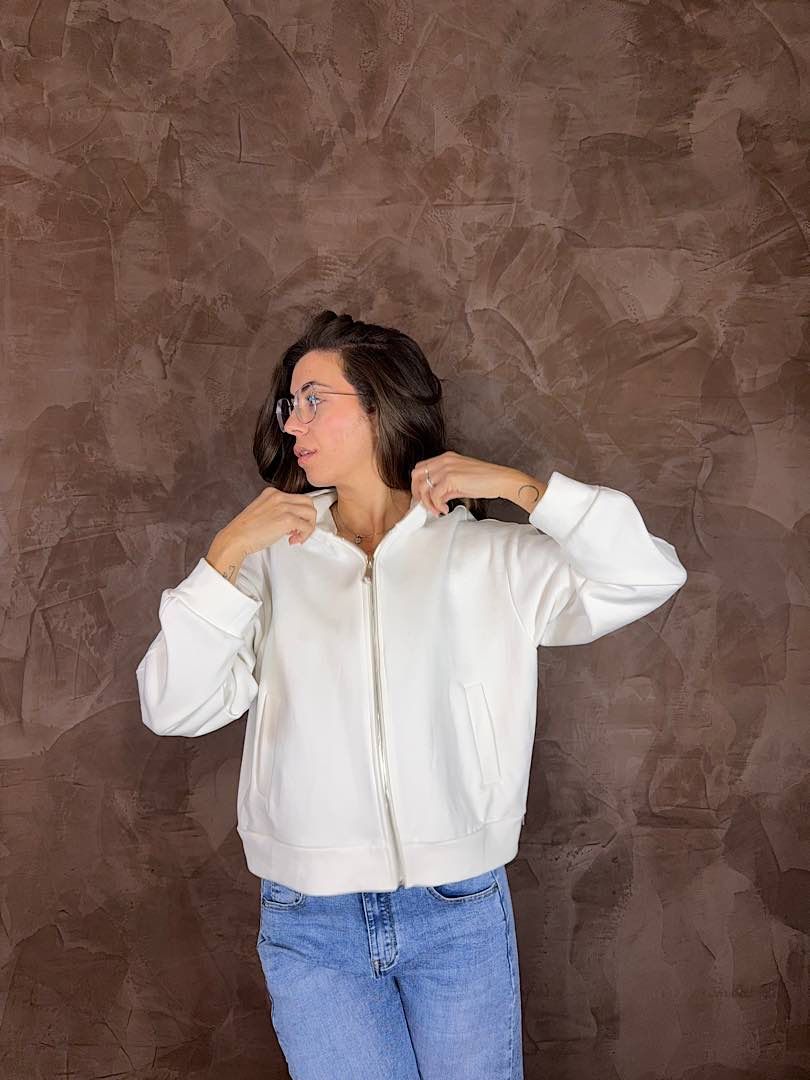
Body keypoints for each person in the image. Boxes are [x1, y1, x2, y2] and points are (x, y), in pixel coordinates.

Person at [136, 310, 688, 1079]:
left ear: (380, 407)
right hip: (310, 918)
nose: (292, 423)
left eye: (314, 399)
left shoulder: (488, 557)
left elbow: (647, 574)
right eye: (288, 405)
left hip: (455, 908)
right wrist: (223, 556)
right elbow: (172, 705)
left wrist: (524, 490)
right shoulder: (267, 563)